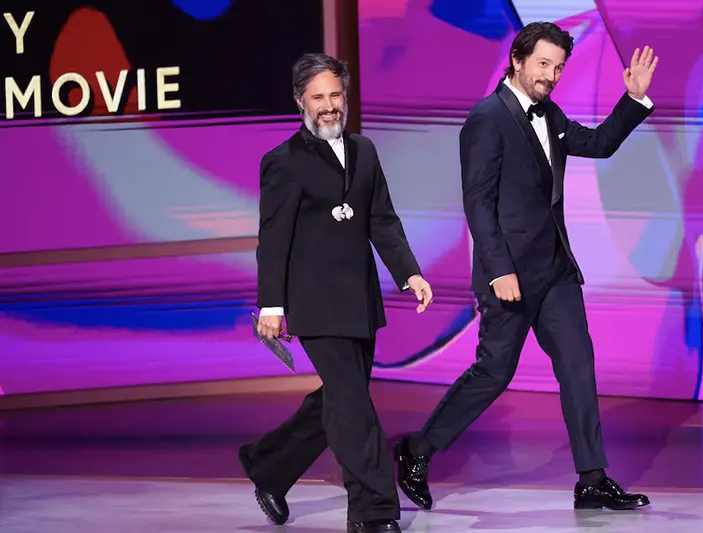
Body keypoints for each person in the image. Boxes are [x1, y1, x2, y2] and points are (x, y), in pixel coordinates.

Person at [393, 22, 658, 511]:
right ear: (517, 60)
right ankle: (417, 450)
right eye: (543, 64)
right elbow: (477, 202)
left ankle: (592, 478)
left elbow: (598, 144)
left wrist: (633, 100)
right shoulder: (487, 119)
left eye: (558, 67)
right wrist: (498, 269)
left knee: (578, 365)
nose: (551, 76)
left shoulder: (551, 115)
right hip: (509, 274)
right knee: (495, 372)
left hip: (555, 269)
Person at [239, 53, 433, 533]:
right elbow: (274, 237)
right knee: (354, 408)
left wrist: (410, 273)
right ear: (300, 102)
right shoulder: (282, 163)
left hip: (360, 300)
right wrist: (271, 305)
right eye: (319, 97)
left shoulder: (365, 151)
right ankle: (373, 511)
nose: (329, 106)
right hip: (314, 303)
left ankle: (270, 466)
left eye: (336, 96)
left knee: (340, 399)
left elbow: (382, 220)